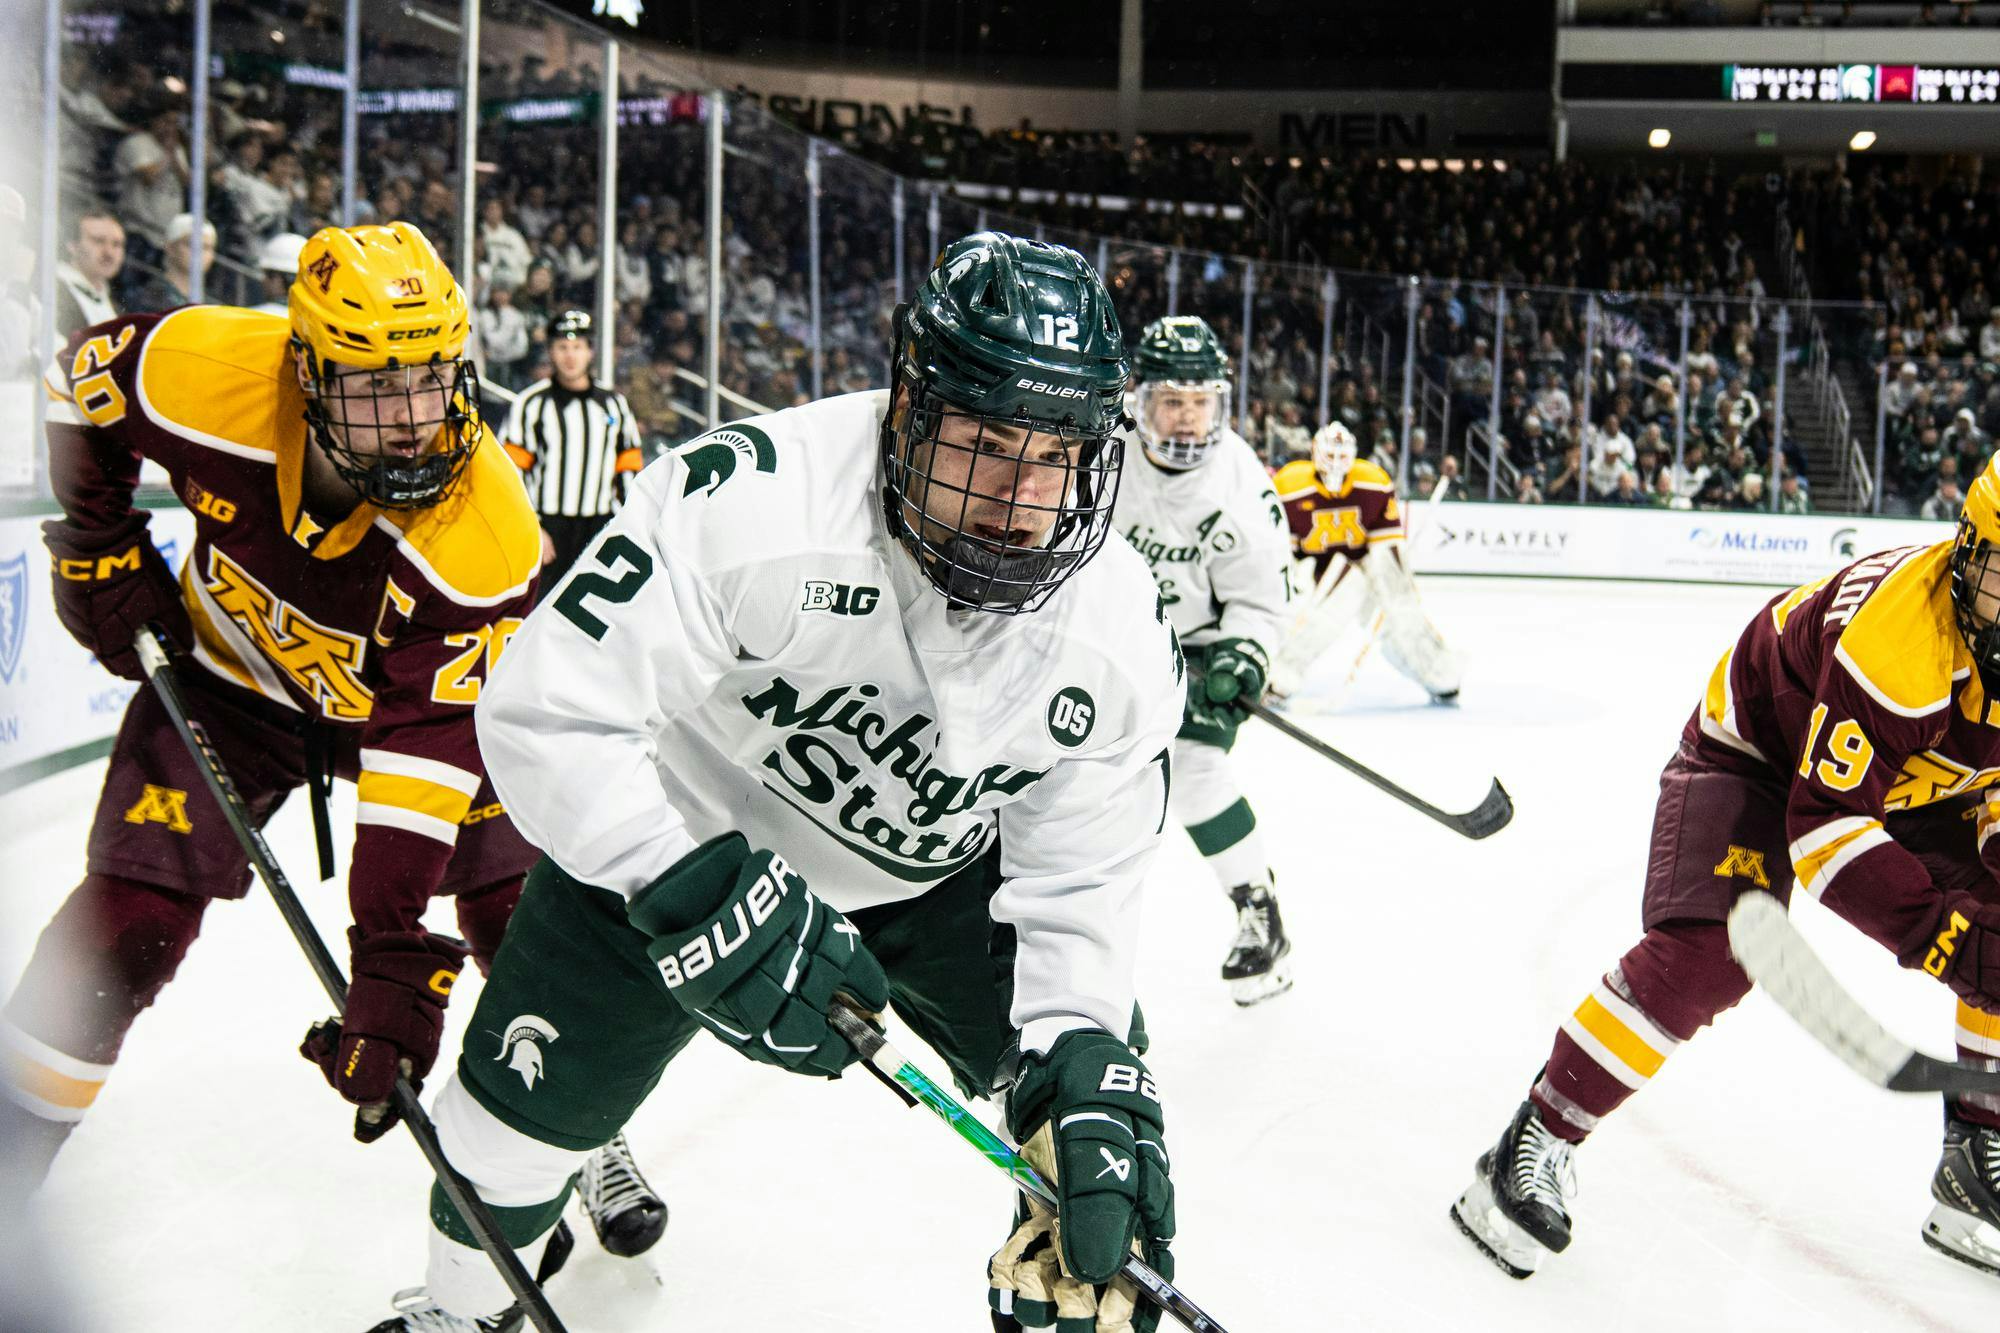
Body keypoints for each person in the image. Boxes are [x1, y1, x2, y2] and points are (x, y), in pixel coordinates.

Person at [363, 231, 1185, 1332]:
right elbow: (546, 705)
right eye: (986, 443)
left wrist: (1077, 1031)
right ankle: (459, 1310)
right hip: (676, 832)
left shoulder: (1121, 626)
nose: (1020, 492)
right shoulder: (752, 500)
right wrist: (681, 882)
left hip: (939, 871)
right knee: (504, 1134)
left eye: (1056, 454)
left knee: (1089, 1130)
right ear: (908, 411)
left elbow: (1081, 871)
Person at [2, 221, 664, 1261]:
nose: (410, 421)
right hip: (231, 684)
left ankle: (587, 1131)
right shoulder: (205, 367)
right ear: (303, 366)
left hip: (415, 711)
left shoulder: (482, 524)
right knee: (123, 925)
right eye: (373, 387)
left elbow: (423, 752)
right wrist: (95, 538)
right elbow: (74, 383)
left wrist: (389, 950)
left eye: (430, 381)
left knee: (509, 916)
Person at [1451, 456, 2000, 1282]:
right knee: (1710, 953)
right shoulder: (1902, 641)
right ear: (1967, 551)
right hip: (1761, 752)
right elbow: (1829, 830)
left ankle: (1977, 1156)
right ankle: (1536, 1136)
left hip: (1925, 778)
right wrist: (1953, 941)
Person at [1110, 315, 1294, 1004]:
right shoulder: (1102, 452)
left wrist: (1244, 658)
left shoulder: (1241, 484)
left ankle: (1258, 909)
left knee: (1192, 768)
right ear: (1140, 398)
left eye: (1201, 403)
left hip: (1204, 641)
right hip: (1112, 633)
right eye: (1172, 402)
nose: (1187, 421)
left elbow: (1262, 599)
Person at [1268, 421, 1464, 705]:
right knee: (1320, 618)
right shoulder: (1288, 485)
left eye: (1341, 456)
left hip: (1366, 563)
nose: (1335, 464)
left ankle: (1440, 675)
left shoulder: (1373, 482)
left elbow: (1388, 549)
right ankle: (1280, 676)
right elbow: (1282, 552)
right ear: (1315, 453)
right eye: (1329, 455)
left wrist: (1396, 588)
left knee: (1401, 615)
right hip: (1318, 570)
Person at [498, 309, 645, 591]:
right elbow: (512, 473)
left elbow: (628, 467)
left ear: (590, 352)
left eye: (577, 347)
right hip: (548, 528)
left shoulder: (613, 404)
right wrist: (533, 529)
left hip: (600, 527)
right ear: (551, 352)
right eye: (562, 347)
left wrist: (626, 525)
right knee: (538, 616)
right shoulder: (531, 404)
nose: (570, 355)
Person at [53, 209, 124, 339]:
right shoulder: (51, 287)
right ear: (72, 245)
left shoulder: (117, 309)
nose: (109, 252)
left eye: (116, 244)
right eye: (98, 241)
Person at [249, 232, 308, 316]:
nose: (263, 280)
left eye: (266, 274)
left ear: (278, 279)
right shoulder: (318, 323)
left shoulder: (250, 318)